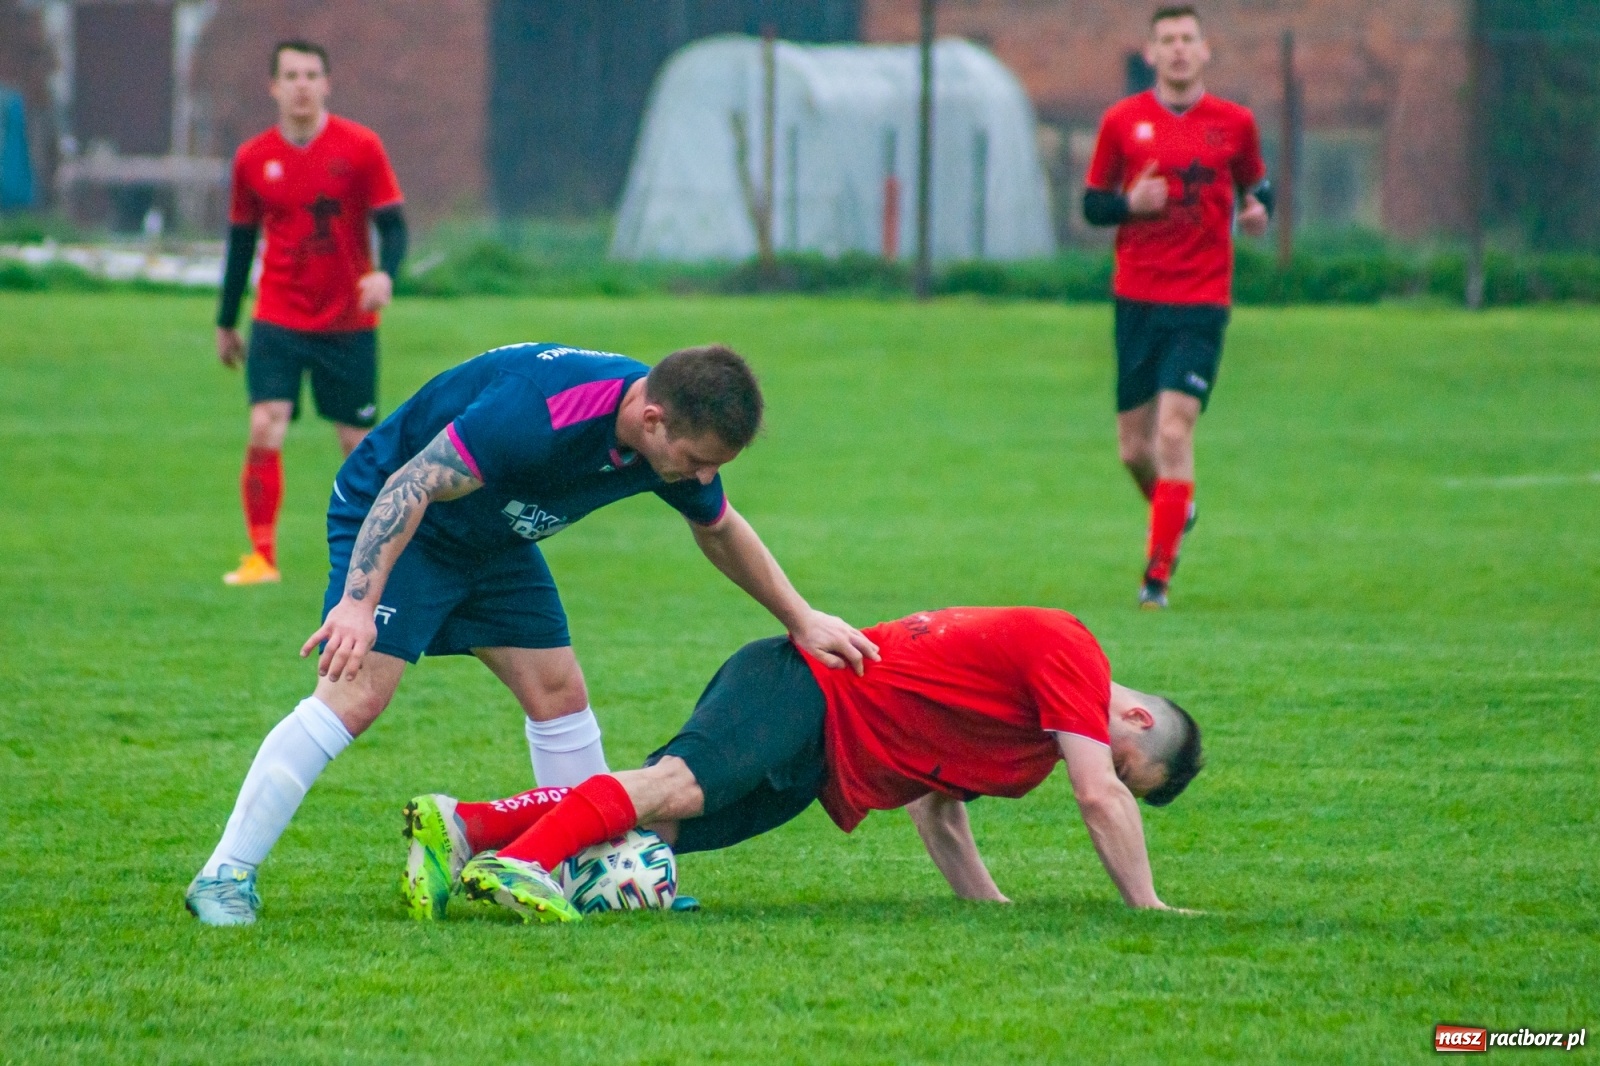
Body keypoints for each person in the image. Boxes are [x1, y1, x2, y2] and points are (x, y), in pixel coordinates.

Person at [185, 341, 880, 926]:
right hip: (407, 520)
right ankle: (223, 876)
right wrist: (359, 604)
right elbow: (410, 484)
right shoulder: (539, 411)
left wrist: (802, 619)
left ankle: (582, 871)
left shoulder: (665, 433)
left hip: (496, 534)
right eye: (699, 459)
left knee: (559, 692)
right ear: (652, 416)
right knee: (356, 695)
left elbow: (720, 528)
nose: (702, 476)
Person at [398, 605, 1204, 924]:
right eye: (1131, 767)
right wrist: (1148, 905)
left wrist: (988, 906)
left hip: (822, 757)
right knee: (672, 786)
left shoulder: (1028, 749)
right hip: (804, 688)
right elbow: (1097, 795)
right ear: (1133, 719)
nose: (1107, 775)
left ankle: (463, 828)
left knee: (663, 819)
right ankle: (521, 863)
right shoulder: (1073, 654)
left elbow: (938, 810)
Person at [1081, 5, 1272, 609]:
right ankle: (1175, 508)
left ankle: (1155, 579)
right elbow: (1091, 205)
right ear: (1151, 54)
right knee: (1134, 450)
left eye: (1189, 39)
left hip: (1201, 302)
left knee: (1173, 430)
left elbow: (1257, 185)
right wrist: (1129, 204)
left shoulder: (1235, 124)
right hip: (1136, 299)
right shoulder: (1122, 122)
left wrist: (1259, 209)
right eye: (1168, 41)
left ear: (1205, 50)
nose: (1180, 50)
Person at [216, 40, 408, 586]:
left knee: (356, 444)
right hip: (277, 315)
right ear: (273, 86)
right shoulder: (253, 158)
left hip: (348, 323)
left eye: (311, 74)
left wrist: (385, 274)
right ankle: (260, 557)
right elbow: (238, 243)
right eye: (291, 75)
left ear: (327, 84)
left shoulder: (361, 147)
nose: (302, 84)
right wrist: (227, 320)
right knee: (263, 423)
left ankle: (383, 558)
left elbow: (393, 226)